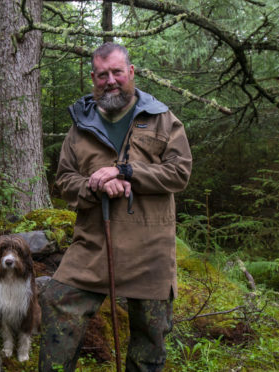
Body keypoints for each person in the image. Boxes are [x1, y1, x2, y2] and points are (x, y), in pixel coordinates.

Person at [38, 42, 192, 372]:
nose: (111, 81)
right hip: (94, 242)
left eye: (117, 72)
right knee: (56, 301)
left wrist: (127, 172)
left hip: (149, 247)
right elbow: (64, 178)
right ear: (93, 78)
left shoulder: (162, 119)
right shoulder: (79, 125)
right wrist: (93, 184)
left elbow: (180, 172)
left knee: (151, 337)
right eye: (102, 75)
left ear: (131, 73)